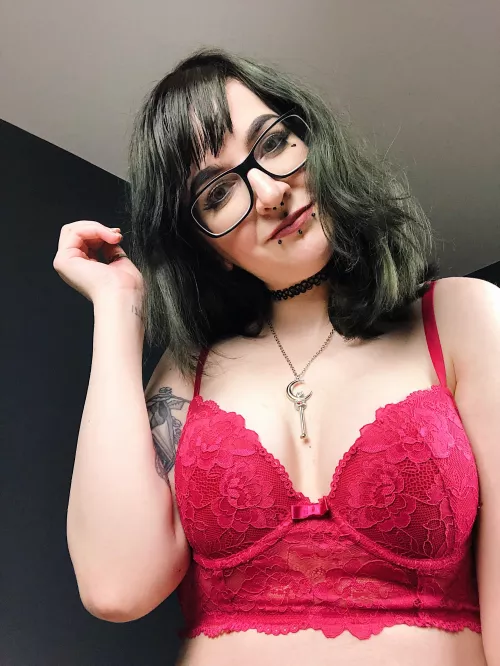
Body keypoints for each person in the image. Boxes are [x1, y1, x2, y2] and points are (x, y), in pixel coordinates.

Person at [53, 48, 500, 666]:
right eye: (217, 194)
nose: (269, 191)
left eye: (274, 142)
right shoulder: (189, 373)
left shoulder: (462, 319)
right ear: (206, 248)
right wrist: (118, 307)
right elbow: (115, 586)